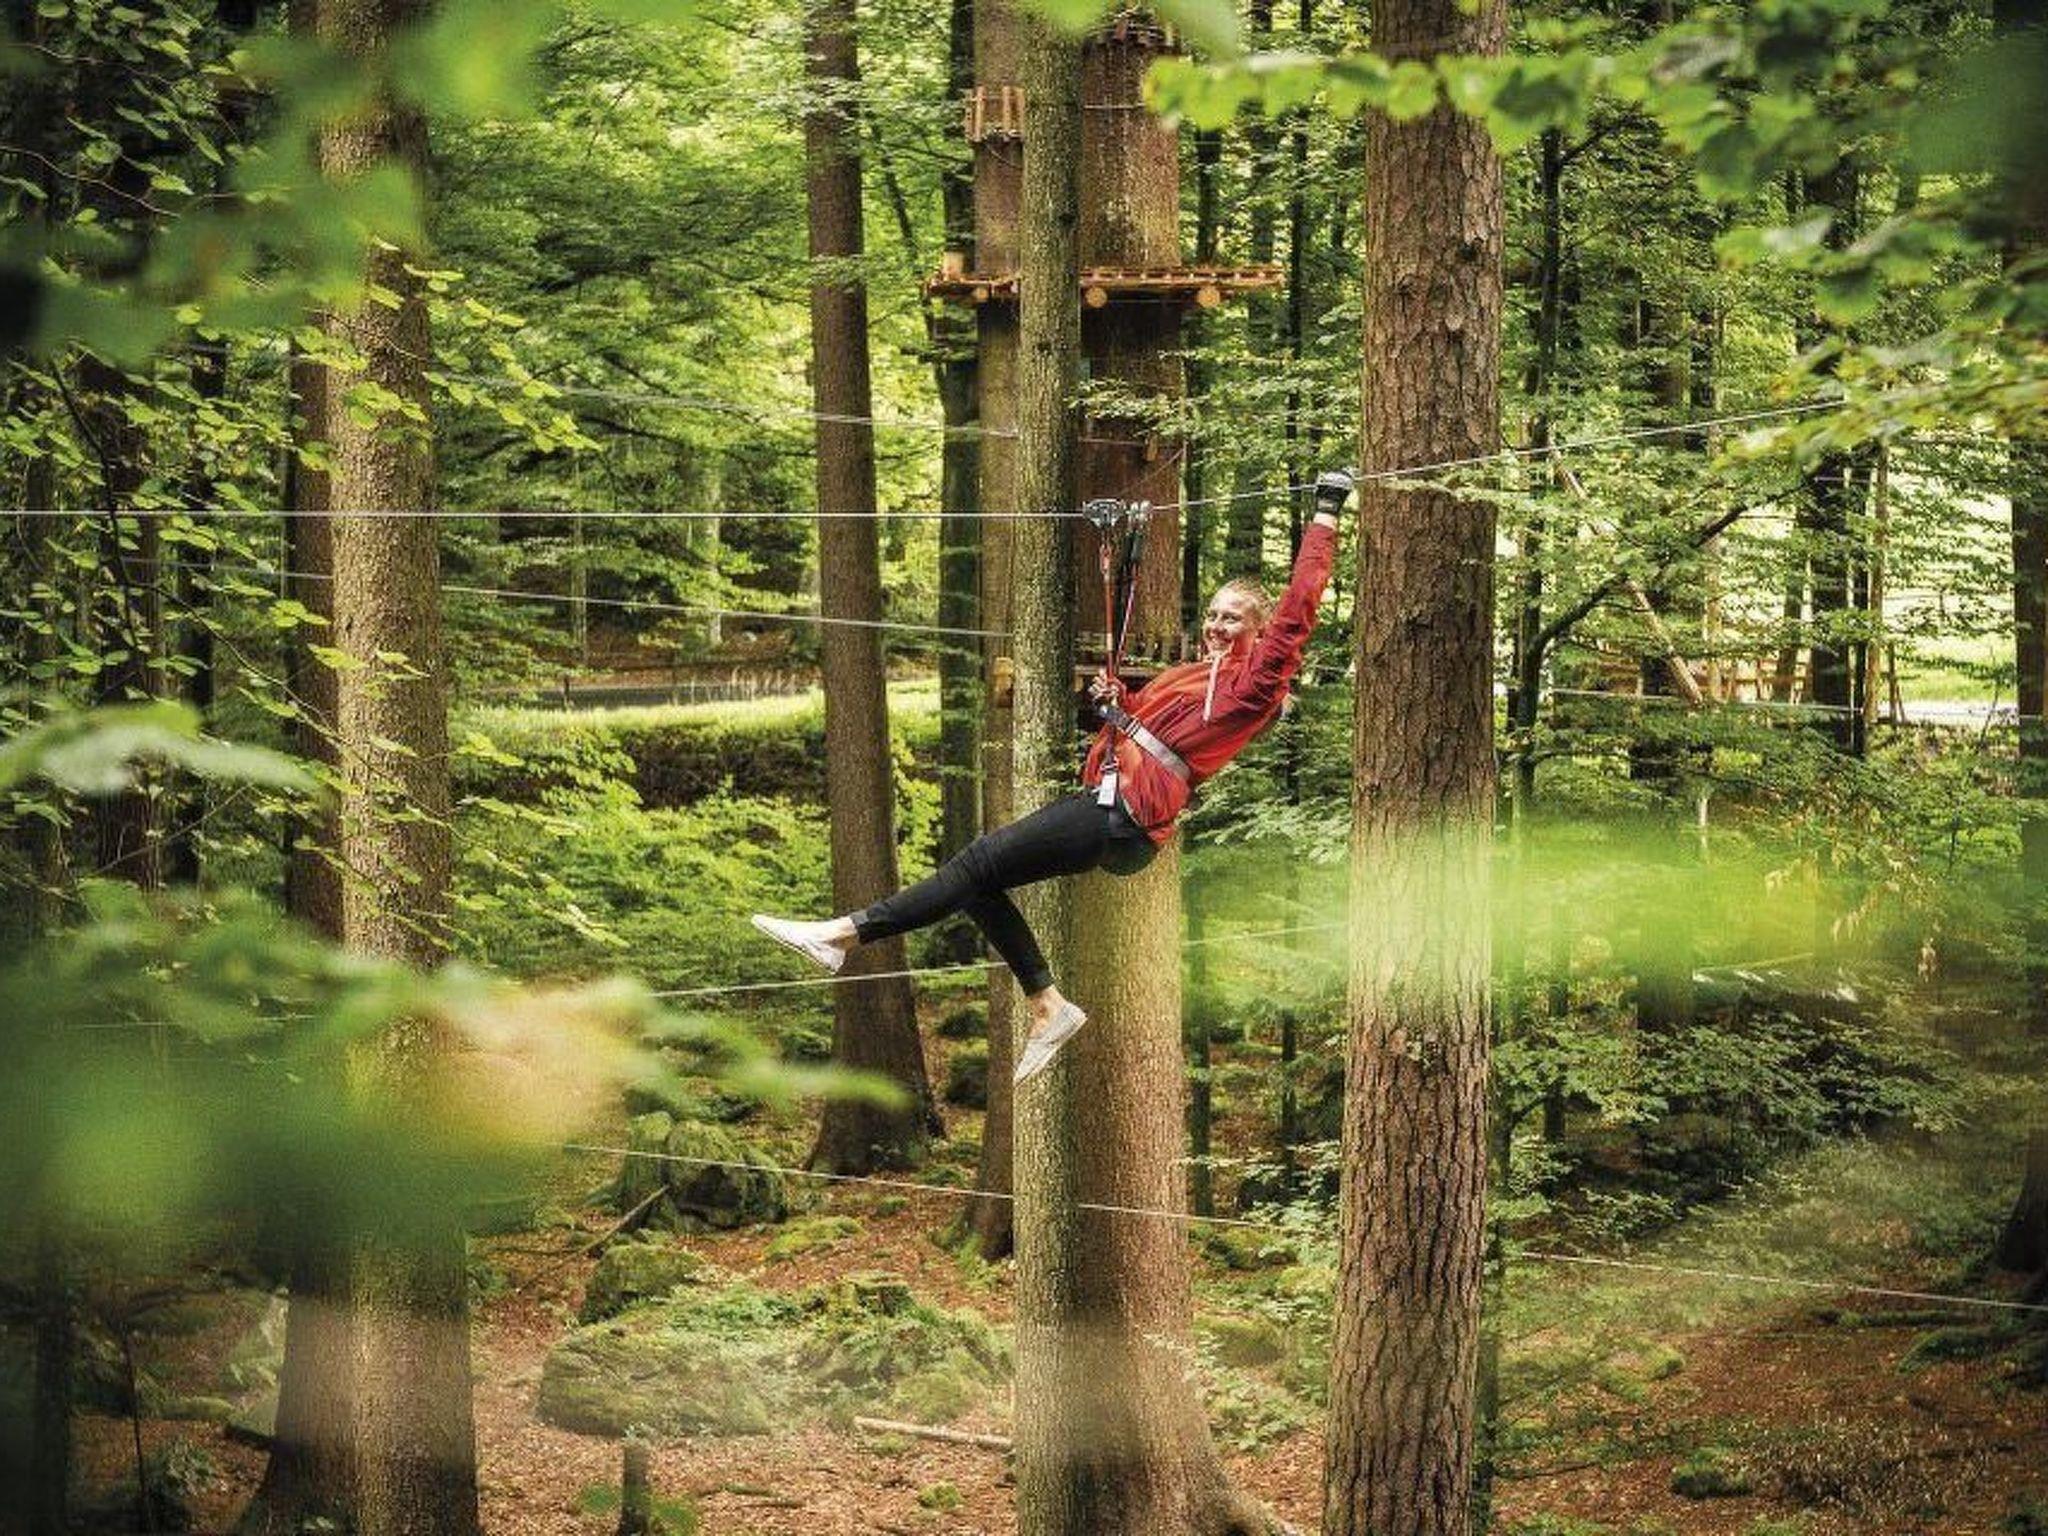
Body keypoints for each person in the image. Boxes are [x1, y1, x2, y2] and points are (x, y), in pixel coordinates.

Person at [752, 471, 1350, 1084]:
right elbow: (1153, 727)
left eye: (1234, 620)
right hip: (1115, 809)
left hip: (1123, 817)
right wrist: (1118, 703)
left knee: (976, 862)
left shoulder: (1254, 685)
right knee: (977, 882)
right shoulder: (1195, 676)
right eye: (1214, 615)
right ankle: (1047, 1004)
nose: (1218, 626)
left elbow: (1299, 607)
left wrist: (1326, 512)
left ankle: (844, 935)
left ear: (1259, 633)